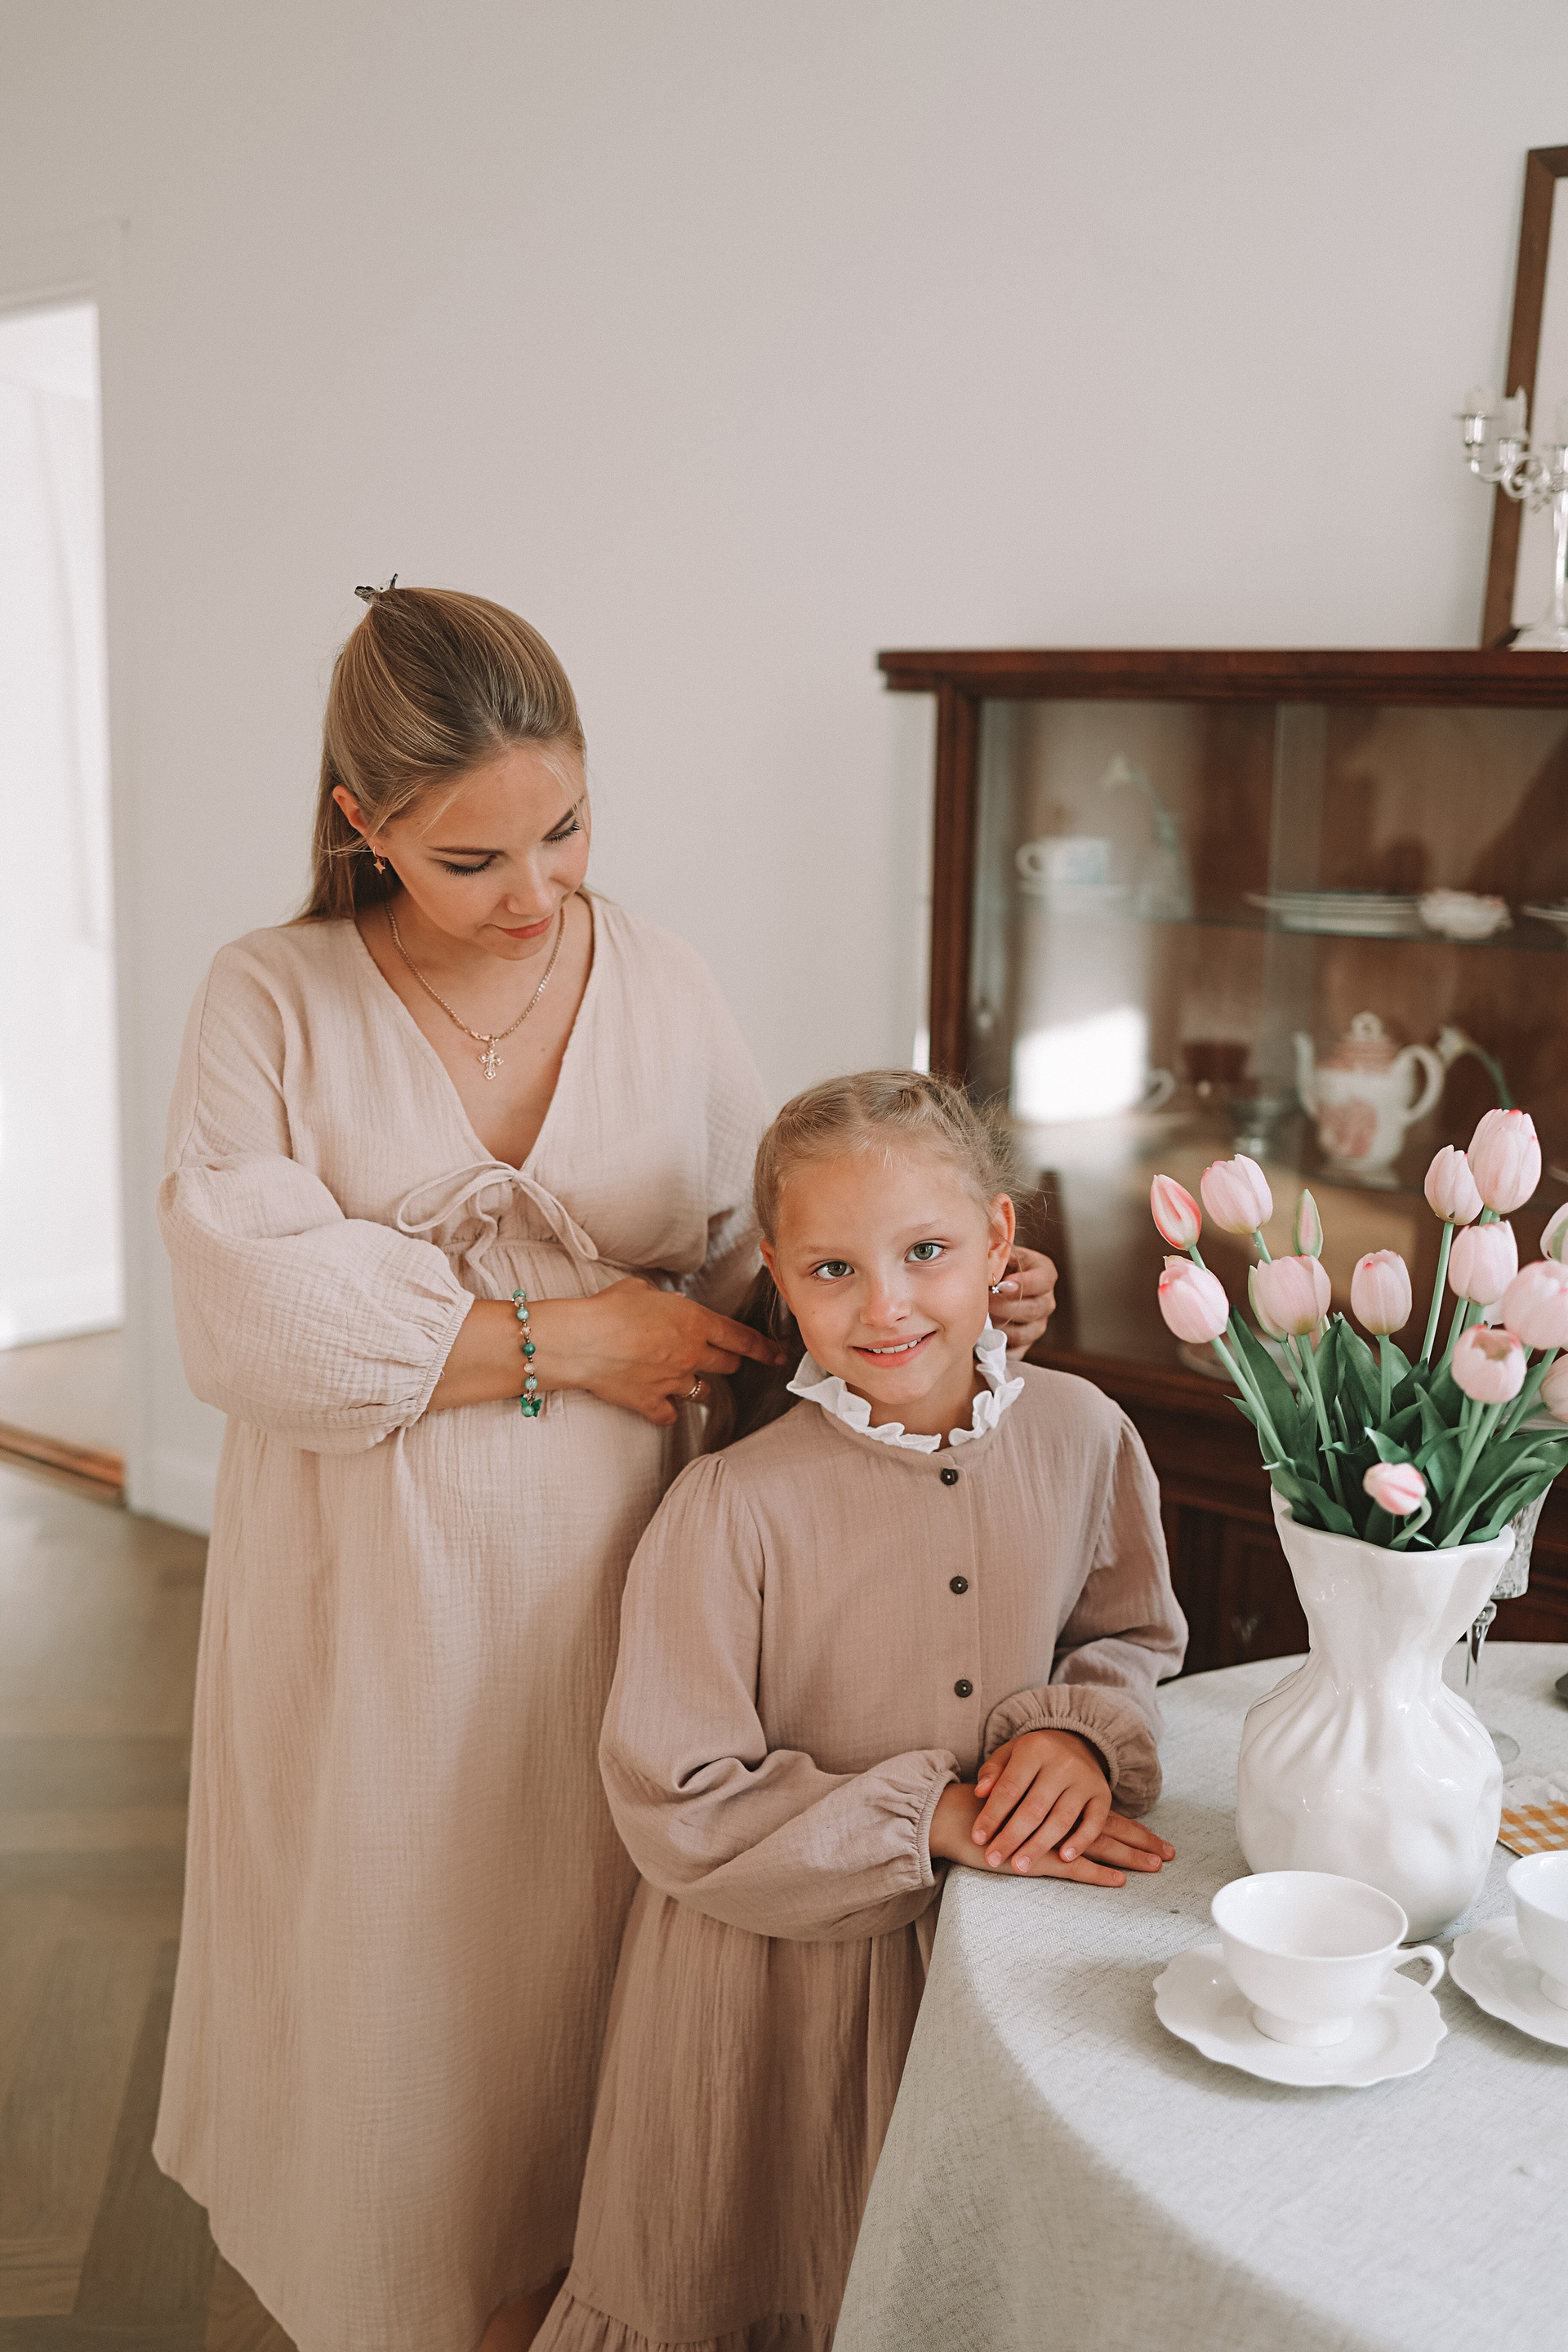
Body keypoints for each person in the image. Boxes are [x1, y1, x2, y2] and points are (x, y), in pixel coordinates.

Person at [153, 589, 1057, 2352]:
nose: (537, 890)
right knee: (397, 1975)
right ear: (361, 823)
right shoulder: (270, 996)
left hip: (633, 1580)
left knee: (582, 1972)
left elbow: (762, 1264)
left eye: (565, 828)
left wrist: (933, 1300)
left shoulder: (655, 974)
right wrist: (572, 1343)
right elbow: (251, 1320)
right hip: (370, 1592)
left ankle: (582, 2303)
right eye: (470, 857)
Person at [537, 1071, 1187, 2352]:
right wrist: (928, 1816)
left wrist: (1075, 1733)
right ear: (779, 1278)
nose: (885, 1305)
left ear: (999, 1241)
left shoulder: (1086, 1433)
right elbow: (676, 1797)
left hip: (1006, 1972)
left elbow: (1129, 1636)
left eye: (926, 1252)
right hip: (769, 1999)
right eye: (833, 1270)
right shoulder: (730, 1508)